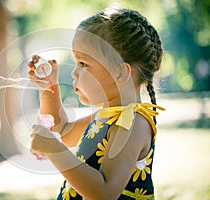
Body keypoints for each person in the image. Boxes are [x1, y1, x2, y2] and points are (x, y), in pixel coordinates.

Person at [28, 7, 165, 200]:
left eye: (83, 64)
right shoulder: (107, 115)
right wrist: (48, 87)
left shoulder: (132, 123)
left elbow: (105, 193)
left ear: (120, 72)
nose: (74, 73)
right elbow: (63, 130)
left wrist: (54, 149)